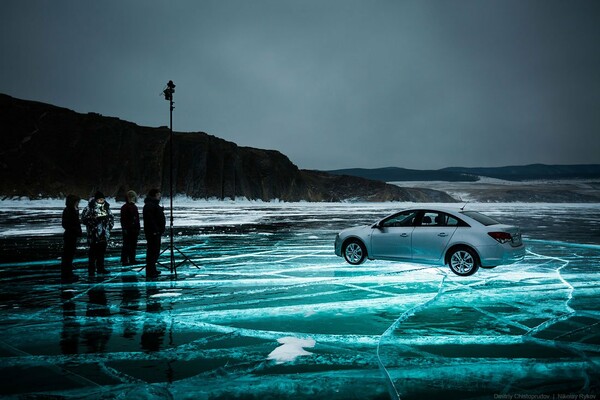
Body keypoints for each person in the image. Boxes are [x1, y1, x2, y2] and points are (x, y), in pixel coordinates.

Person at [81, 191, 114, 275]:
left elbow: (111, 218)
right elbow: (84, 219)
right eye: (99, 199)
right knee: (93, 253)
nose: (101, 201)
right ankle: (91, 269)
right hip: (94, 234)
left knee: (102, 252)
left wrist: (109, 226)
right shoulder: (89, 208)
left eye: (102, 199)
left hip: (104, 233)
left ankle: (101, 268)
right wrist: (93, 220)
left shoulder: (106, 207)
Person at [143, 188, 165, 279]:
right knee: (152, 251)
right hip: (153, 233)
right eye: (158, 194)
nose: (160, 196)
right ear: (155, 195)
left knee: (155, 251)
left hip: (156, 232)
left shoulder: (154, 205)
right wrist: (155, 230)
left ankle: (153, 269)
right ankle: (150, 270)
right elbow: (150, 220)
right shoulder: (150, 205)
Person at [61, 194, 82, 282]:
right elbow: (66, 224)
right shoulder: (68, 210)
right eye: (77, 202)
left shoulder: (73, 210)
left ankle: (68, 273)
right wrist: (75, 230)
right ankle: (67, 274)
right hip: (70, 235)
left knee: (70, 254)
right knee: (68, 255)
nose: (78, 204)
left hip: (73, 235)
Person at [120, 190, 141, 266]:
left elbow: (136, 219)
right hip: (128, 229)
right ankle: (125, 259)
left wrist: (138, 228)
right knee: (127, 245)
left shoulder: (134, 207)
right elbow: (123, 219)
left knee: (133, 245)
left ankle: (132, 258)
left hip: (134, 229)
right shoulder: (125, 207)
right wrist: (125, 228)